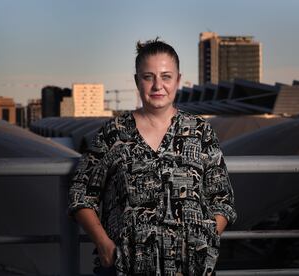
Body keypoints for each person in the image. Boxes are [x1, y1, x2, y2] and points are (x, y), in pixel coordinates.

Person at [68, 38, 237, 275]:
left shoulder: (200, 131)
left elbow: (223, 199)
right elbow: (81, 194)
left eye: (166, 76)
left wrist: (206, 242)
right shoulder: (113, 133)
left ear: (178, 80)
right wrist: (103, 243)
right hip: (125, 268)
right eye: (149, 77)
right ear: (137, 81)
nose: (158, 86)